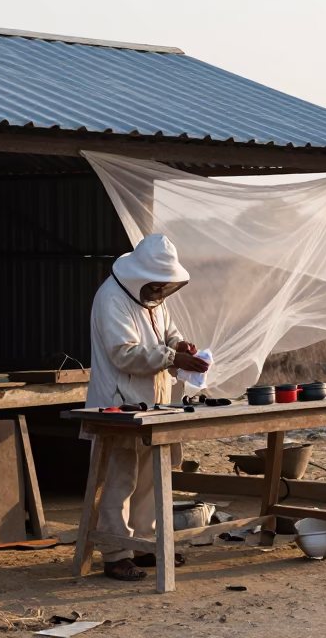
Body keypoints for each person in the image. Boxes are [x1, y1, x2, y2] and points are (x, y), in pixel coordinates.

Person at [87, 233, 210, 581]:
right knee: (120, 478)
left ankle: (143, 544)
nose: (159, 293)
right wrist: (173, 356)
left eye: (162, 287)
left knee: (151, 476)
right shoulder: (112, 297)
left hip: (154, 401)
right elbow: (124, 354)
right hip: (118, 403)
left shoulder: (152, 300)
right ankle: (115, 553)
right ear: (142, 276)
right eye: (156, 286)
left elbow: (168, 333)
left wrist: (179, 344)